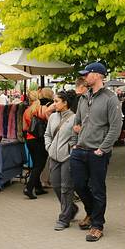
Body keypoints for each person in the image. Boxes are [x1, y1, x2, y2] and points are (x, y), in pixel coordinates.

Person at [70, 62, 122, 242]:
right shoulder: (83, 97)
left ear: (98, 75)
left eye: (87, 74)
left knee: (98, 189)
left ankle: (97, 225)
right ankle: (91, 213)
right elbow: (76, 123)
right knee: (78, 185)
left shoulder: (110, 98)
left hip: (97, 152)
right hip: (80, 150)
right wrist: (75, 143)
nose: (84, 77)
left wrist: (103, 149)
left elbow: (115, 127)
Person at [44, 90, 78, 231]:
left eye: (56, 101)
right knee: (56, 185)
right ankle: (72, 208)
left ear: (65, 103)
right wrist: (49, 147)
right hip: (53, 157)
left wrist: (71, 151)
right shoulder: (52, 117)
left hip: (67, 158)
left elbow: (77, 137)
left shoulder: (75, 118)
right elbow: (47, 134)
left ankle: (64, 219)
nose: (54, 104)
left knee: (66, 188)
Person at [22, 90, 53, 199]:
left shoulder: (27, 110)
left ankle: (38, 188)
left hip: (29, 140)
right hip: (39, 139)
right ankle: (29, 188)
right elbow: (50, 122)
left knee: (36, 164)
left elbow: (24, 128)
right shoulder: (42, 108)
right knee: (40, 165)